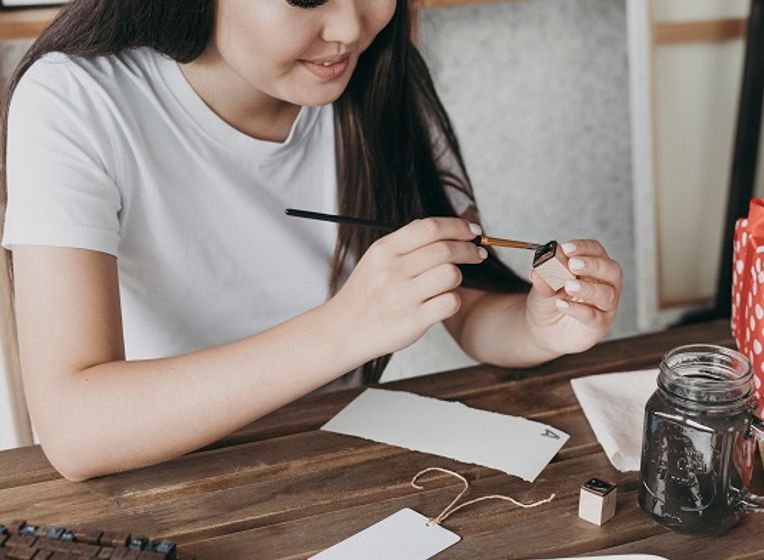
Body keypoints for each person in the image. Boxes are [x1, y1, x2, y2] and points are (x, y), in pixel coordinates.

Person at [0, 0, 624, 481]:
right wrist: (346, 328)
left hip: (338, 464)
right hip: (162, 482)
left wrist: (539, 324)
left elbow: (467, 301)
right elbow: (75, 429)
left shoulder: (381, 81)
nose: (351, 26)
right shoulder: (78, 100)